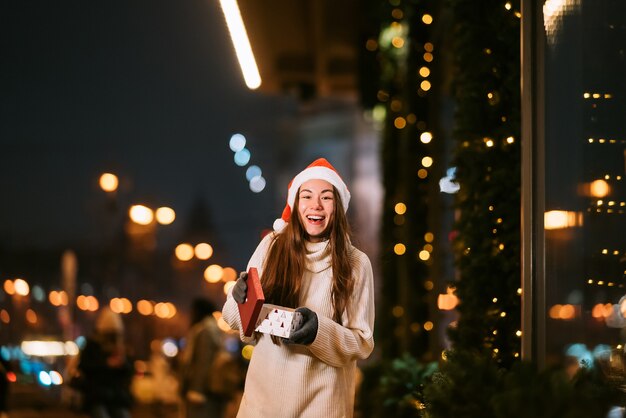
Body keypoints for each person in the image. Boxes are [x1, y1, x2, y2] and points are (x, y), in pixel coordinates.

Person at [222, 157, 375, 418]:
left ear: (338, 207)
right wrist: (239, 300)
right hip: (261, 406)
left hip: (322, 407)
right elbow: (235, 319)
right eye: (307, 196)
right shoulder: (271, 246)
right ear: (295, 203)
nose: (315, 205)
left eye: (326, 197)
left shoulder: (356, 263)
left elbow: (361, 342)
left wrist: (318, 331)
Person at [76, 308, 134, 418]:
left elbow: (129, 371)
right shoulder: (93, 345)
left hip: (117, 398)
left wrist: (121, 364)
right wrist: (106, 364)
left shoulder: (121, 347)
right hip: (97, 397)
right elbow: (84, 366)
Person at [180, 298, 227, 418]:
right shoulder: (214, 330)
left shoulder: (204, 332)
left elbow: (203, 362)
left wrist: (196, 390)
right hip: (212, 389)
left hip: (203, 392)